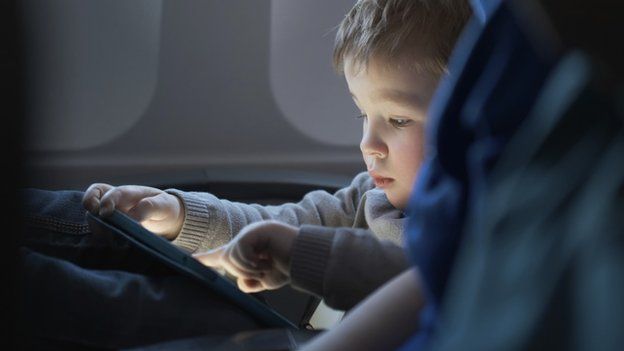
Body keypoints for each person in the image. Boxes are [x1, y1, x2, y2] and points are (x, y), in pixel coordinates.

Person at [16, 0, 471, 348]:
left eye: (399, 120)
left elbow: (422, 281)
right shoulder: (368, 196)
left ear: (471, 119)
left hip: (314, 341)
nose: (368, 145)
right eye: (362, 116)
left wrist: (298, 255)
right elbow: (281, 225)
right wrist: (176, 214)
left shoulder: (479, 223)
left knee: (130, 305)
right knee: (103, 226)